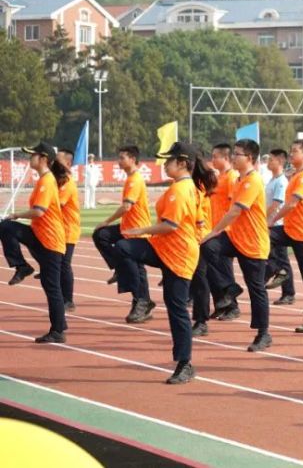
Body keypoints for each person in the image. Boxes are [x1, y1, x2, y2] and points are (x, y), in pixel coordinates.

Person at [115, 142, 216, 384]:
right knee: (121, 248)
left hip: (178, 254)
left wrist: (141, 229)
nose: (164, 164)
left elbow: (170, 225)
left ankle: (185, 363)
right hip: (163, 248)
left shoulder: (182, 189)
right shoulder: (182, 187)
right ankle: (139, 295)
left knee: (177, 309)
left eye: (168, 160)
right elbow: (196, 219)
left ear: (182, 163)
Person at [202, 139, 272, 352]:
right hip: (235, 238)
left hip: (253, 243)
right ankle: (228, 289)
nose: (234, 157)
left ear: (249, 158)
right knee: (207, 248)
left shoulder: (253, 181)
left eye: (238, 154)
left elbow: (235, 211)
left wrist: (214, 231)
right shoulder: (238, 180)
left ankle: (263, 333)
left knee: (256, 289)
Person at [0, 142, 69, 343]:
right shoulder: (43, 180)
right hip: (40, 236)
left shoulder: (47, 181)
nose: (30, 159)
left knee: (52, 287)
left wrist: (16, 214)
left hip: (50, 241)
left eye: (33, 155)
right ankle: (21, 266)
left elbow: (39, 211)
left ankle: (58, 330)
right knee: (5, 227)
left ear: (44, 159)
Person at [265, 140, 303, 333]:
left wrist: (272, 220)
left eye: (295, 151)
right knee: (264, 236)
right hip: (290, 230)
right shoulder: (295, 175)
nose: (291, 154)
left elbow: (291, 204)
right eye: (291, 150)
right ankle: (279, 269)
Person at [92, 145, 153, 322]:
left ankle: (142, 302)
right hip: (127, 227)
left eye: (122, 158)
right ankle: (120, 268)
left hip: (137, 229)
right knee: (101, 235)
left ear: (132, 159)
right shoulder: (130, 179)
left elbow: (127, 206)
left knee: (137, 268)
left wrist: (107, 221)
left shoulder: (135, 180)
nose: (119, 161)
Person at [206, 143, 241, 320]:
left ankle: (232, 307)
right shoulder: (219, 177)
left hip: (225, 231)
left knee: (224, 270)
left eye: (215, 156)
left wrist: (224, 228)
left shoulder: (232, 177)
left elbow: (233, 207)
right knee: (212, 268)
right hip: (214, 229)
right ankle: (221, 303)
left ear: (225, 158)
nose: (212, 160)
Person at [263, 149, 296, 305]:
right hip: (270, 223)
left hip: (277, 224)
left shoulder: (282, 181)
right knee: (277, 258)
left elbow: (276, 204)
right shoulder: (272, 180)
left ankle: (288, 293)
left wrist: (263, 218)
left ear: (280, 162)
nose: (268, 162)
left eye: (271, 159)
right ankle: (286, 290)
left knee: (281, 259)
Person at [55, 151, 81, 312]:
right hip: (59, 229)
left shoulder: (68, 183)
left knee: (64, 264)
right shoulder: (59, 181)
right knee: (59, 264)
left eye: (59, 160)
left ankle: (68, 300)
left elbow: (58, 204)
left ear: (68, 164)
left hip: (68, 229)